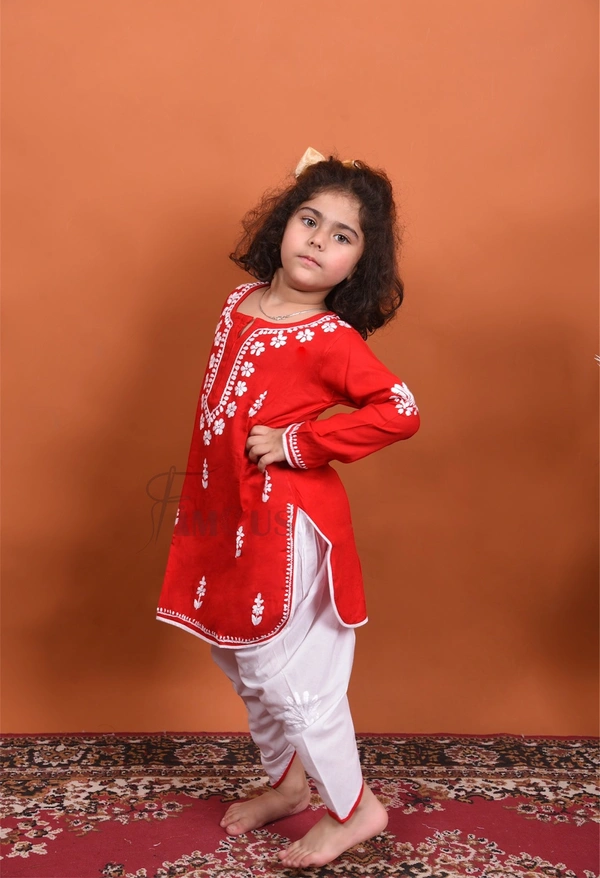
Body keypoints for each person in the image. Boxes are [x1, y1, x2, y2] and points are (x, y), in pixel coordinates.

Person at [156, 146, 421, 868]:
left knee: (289, 674)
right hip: (225, 513)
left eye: (343, 236)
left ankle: (355, 808)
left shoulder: (330, 338)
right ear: (282, 224)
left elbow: (399, 410)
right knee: (240, 659)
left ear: (358, 265)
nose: (318, 241)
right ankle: (288, 783)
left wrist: (301, 443)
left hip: (286, 524)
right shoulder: (237, 304)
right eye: (310, 220)